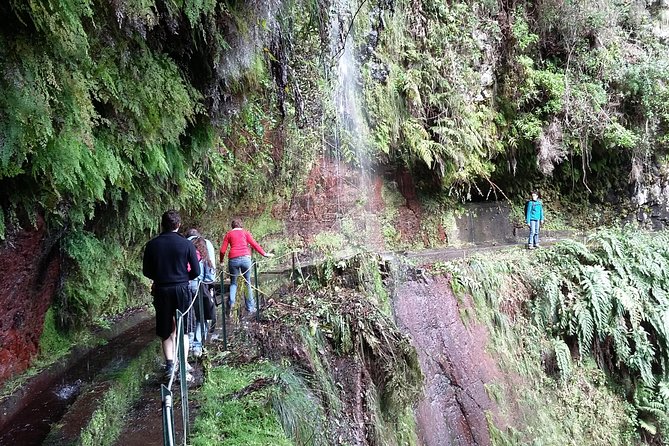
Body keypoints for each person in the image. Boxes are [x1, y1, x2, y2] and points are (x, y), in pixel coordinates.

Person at [143, 210, 200, 380]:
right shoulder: (186, 244)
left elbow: (146, 271)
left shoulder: (152, 245)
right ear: (179, 225)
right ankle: (182, 367)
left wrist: (161, 278)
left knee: (166, 329)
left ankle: (169, 366)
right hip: (182, 289)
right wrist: (183, 279)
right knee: (184, 329)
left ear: (162, 224)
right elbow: (196, 271)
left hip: (161, 290)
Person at [219, 218, 273, 317]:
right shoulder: (245, 233)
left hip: (233, 259)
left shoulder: (229, 234)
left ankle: (231, 303)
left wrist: (221, 261)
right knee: (247, 282)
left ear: (232, 226)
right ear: (241, 225)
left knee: (233, 283)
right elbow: (254, 244)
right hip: (246, 259)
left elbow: (222, 250)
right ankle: (250, 307)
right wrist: (264, 254)